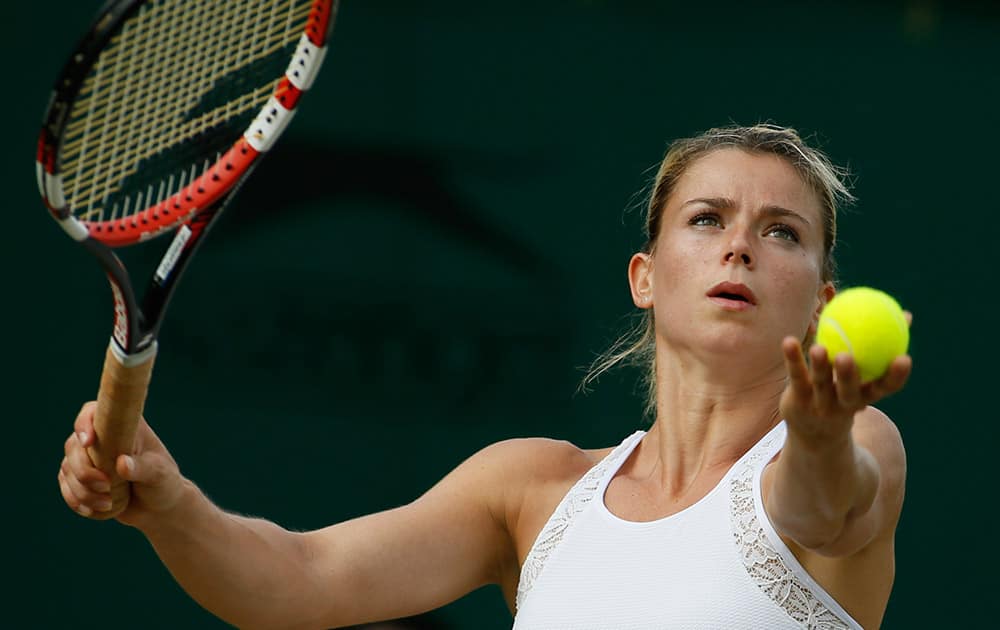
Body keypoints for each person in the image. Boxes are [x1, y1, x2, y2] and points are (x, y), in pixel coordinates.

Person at [58, 123, 911, 629]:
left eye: (782, 233)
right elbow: (299, 579)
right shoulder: (531, 487)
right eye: (707, 218)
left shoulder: (856, 442)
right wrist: (169, 507)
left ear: (822, 301)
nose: (739, 247)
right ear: (645, 278)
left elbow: (823, 513)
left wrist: (822, 431)